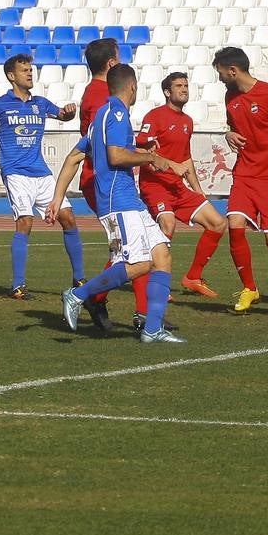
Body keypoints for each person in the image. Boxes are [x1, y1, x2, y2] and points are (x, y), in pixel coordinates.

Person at [48, 63, 187, 344]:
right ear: (132, 86)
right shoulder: (118, 114)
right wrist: (150, 158)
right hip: (117, 201)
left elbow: (74, 158)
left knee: (162, 255)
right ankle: (77, 295)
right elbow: (115, 156)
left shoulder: (101, 115)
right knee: (138, 264)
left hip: (129, 200)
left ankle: (152, 328)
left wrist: (57, 198)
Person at [0, 53, 86, 301]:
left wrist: (70, 112)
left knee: (69, 218)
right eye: (25, 70)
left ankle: (79, 279)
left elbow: (63, 116)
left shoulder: (40, 103)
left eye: (31, 70)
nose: (30, 73)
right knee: (25, 222)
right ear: (12, 76)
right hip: (16, 173)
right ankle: (18, 286)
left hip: (41, 173)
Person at [214, 45, 268, 317]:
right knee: (234, 225)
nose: (220, 78)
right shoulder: (230, 97)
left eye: (221, 73)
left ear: (233, 70)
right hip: (244, 176)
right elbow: (234, 127)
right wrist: (229, 135)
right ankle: (250, 288)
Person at [134, 72, 229, 305]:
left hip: (178, 187)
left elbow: (186, 160)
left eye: (186, 85)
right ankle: (158, 282)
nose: (184, 89)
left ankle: (193, 277)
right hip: (155, 186)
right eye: (179, 86)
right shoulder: (154, 116)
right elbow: (138, 148)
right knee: (168, 223)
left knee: (218, 223)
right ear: (167, 92)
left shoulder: (187, 122)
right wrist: (155, 157)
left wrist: (198, 190)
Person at [74, 38, 140, 331]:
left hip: (102, 177)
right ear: (112, 64)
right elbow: (101, 141)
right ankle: (94, 296)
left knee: (130, 248)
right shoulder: (102, 96)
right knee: (137, 248)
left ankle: (97, 297)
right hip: (105, 180)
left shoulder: (92, 93)